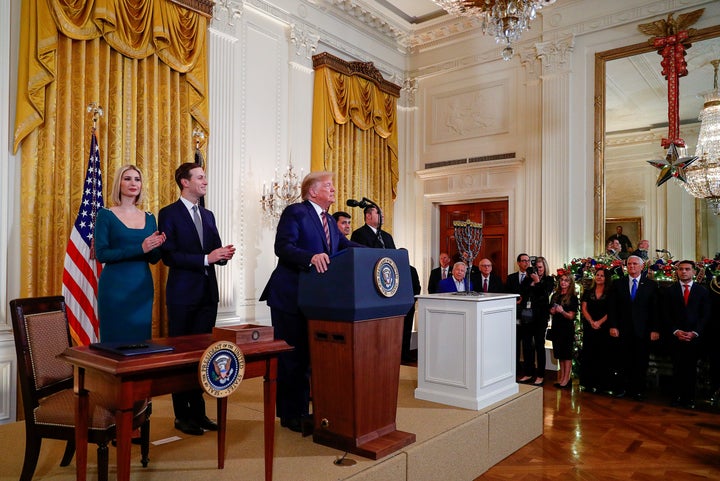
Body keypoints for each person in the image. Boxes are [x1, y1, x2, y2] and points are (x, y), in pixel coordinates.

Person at [260, 171, 359, 433]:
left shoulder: (328, 220)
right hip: (289, 295)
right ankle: (290, 414)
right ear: (313, 192)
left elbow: (345, 247)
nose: (334, 190)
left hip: (314, 299)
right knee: (292, 357)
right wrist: (310, 257)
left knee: (307, 358)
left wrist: (379, 252)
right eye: (329, 186)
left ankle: (303, 410)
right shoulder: (296, 212)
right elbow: (283, 247)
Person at [159, 162, 236, 436]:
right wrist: (206, 258)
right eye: (200, 177)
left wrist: (223, 254)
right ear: (184, 181)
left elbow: (214, 252)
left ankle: (200, 412)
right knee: (181, 356)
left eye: (205, 177)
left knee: (203, 356)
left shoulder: (209, 214)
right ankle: (182, 416)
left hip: (207, 295)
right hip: (182, 295)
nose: (205, 181)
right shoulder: (168, 213)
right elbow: (169, 256)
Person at [95, 164, 166, 343]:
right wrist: (140, 248)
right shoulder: (105, 215)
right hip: (114, 288)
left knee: (140, 344)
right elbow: (102, 254)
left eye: (137, 179)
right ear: (119, 184)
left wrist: (159, 245)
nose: (133, 183)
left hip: (141, 288)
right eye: (127, 179)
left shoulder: (150, 217)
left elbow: (153, 258)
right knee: (114, 344)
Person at [608, 255, 659, 401]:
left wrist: (655, 329)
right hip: (623, 330)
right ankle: (622, 388)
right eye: (629, 264)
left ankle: (637, 390)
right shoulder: (618, 283)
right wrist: (613, 326)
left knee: (641, 362)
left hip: (643, 331)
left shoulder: (651, 285)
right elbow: (612, 308)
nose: (631, 266)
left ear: (642, 266)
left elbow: (655, 310)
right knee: (623, 361)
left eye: (635, 264)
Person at [664, 260, 710, 409]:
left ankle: (689, 398)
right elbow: (666, 314)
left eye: (687, 269)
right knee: (676, 368)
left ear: (693, 272)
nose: (683, 271)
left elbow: (705, 315)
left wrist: (695, 332)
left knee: (691, 369)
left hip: (694, 338)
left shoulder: (702, 291)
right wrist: (676, 331)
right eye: (681, 269)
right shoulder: (670, 290)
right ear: (677, 272)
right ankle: (675, 396)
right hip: (675, 337)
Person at [517, 256, 554, 386]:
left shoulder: (549, 280)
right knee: (527, 346)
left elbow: (544, 296)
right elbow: (522, 293)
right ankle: (528, 373)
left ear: (544, 268)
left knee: (539, 346)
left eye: (540, 267)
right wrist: (530, 280)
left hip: (540, 318)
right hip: (527, 317)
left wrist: (537, 282)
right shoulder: (527, 279)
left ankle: (540, 375)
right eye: (536, 268)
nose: (537, 270)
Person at [579, 267, 612, 393]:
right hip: (590, 327)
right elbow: (584, 308)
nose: (599, 277)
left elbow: (611, 310)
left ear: (606, 278)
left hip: (604, 328)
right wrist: (591, 321)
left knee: (602, 355)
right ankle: (588, 383)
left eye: (602, 275)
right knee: (589, 354)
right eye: (597, 275)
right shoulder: (588, 291)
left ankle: (602, 385)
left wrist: (599, 322)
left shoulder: (610, 292)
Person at [549, 272, 579, 389]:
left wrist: (561, 311)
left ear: (570, 283)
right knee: (560, 354)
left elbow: (571, 316)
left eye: (566, 280)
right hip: (556, 327)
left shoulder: (573, 297)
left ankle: (567, 379)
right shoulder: (555, 295)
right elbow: (550, 310)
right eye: (562, 280)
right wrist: (553, 310)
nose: (563, 282)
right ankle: (562, 377)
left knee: (566, 355)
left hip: (566, 329)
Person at [506, 253, 533, 370]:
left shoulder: (533, 277)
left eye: (528, 261)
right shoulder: (511, 277)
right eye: (523, 260)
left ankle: (528, 370)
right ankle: (515, 369)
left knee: (528, 345)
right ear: (518, 263)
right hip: (514, 315)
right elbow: (506, 294)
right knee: (514, 344)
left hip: (528, 315)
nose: (526, 263)